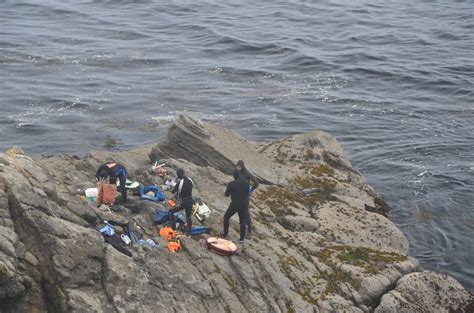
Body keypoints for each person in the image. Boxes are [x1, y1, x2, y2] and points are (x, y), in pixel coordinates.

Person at [222, 169, 250, 243]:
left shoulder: (232, 184)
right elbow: (247, 193)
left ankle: (225, 234)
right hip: (244, 204)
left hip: (235, 204)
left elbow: (226, 194)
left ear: (234, 176)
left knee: (226, 217)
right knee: (242, 222)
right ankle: (241, 239)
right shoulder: (246, 183)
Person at [236, 160, 259, 236]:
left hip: (245, 195)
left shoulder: (247, 173)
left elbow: (256, 183)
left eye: (239, 167)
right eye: (237, 167)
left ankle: (249, 230)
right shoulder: (238, 172)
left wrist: (250, 190)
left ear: (242, 167)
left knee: (246, 212)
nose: (238, 168)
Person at [170, 168, 194, 235]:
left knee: (171, 212)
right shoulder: (190, 180)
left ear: (179, 175)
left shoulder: (179, 182)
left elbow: (173, 191)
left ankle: (173, 229)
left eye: (177, 175)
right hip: (190, 200)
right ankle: (188, 232)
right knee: (188, 217)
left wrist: (172, 187)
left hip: (183, 201)